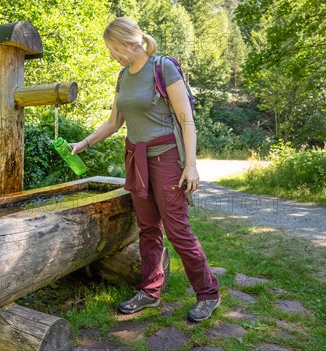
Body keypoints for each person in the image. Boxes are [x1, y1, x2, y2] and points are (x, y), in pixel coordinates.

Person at [71, 17, 220, 322]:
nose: (112, 55)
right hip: (136, 159)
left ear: (130, 42)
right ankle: (150, 291)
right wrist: (83, 143)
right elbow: (114, 122)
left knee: (178, 232)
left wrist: (190, 165)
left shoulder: (163, 67)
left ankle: (208, 294)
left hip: (166, 159)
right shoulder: (123, 76)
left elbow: (186, 119)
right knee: (148, 229)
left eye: (115, 48)